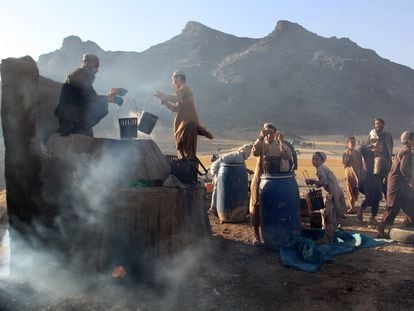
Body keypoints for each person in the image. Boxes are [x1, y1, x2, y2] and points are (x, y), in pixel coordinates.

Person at [54, 54, 126, 137]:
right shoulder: (77, 74)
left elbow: (93, 98)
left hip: (75, 112)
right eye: (95, 66)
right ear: (87, 63)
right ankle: (78, 128)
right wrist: (111, 98)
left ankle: (81, 128)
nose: (97, 70)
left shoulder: (84, 77)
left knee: (101, 104)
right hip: (69, 115)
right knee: (102, 105)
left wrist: (112, 93)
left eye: (98, 67)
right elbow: (91, 99)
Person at [249, 123, 293, 245]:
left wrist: (281, 143)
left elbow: (288, 156)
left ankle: (273, 234)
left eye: (271, 133)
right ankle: (257, 236)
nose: (269, 135)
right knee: (255, 205)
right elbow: (255, 152)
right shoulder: (260, 143)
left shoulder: (278, 145)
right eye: (266, 132)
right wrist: (260, 138)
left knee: (274, 206)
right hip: (259, 179)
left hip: (274, 182)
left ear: (275, 133)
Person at [153, 71, 213, 159]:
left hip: (188, 126)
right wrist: (165, 103)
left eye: (173, 79)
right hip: (183, 126)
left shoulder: (185, 88)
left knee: (188, 152)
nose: (172, 82)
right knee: (182, 151)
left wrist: (162, 95)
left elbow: (174, 98)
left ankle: (189, 170)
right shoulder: (181, 93)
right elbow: (175, 109)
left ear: (179, 78)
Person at [377, 131, 414, 237]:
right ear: (409, 140)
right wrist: (411, 180)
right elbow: (404, 169)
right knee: (393, 206)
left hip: (401, 184)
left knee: (410, 202)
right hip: (397, 183)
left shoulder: (403, 150)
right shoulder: (406, 151)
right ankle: (381, 228)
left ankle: (409, 223)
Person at [305, 151, 347, 242]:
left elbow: (324, 182)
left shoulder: (320, 169)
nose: (314, 161)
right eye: (313, 159)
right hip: (336, 192)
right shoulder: (323, 168)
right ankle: (330, 234)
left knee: (329, 216)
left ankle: (327, 238)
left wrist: (314, 182)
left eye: (317, 159)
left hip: (333, 194)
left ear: (322, 161)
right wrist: (314, 181)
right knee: (331, 215)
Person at [208, 144, 253, 216]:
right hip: (217, 169)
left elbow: (241, 166)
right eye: (248, 155)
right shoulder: (239, 157)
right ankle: (213, 208)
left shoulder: (238, 155)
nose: (248, 156)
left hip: (221, 168)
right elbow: (240, 167)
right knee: (218, 187)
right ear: (246, 153)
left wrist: (248, 170)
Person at [358, 139, 384, 224]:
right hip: (367, 178)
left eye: (381, 145)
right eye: (378, 145)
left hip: (377, 179)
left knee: (377, 198)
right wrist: (371, 146)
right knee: (369, 197)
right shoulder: (369, 153)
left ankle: (373, 217)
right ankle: (361, 210)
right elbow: (361, 149)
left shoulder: (382, 156)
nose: (380, 147)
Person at [367, 118, 393, 198]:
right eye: (376, 123)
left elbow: (390, 148)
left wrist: (390, 162)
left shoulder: (388, 136)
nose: (378, 125)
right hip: (374, 163)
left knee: (386, 183)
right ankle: (375, 202)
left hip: (385, 162)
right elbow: (367, 148)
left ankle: (387, 202)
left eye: (379, 123)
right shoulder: (371, 135)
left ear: (383, 124)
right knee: (375, 183)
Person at [342, 136, 363, 213]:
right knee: (350, 190)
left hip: (357, 175)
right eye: (351, 142)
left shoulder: (358, 153)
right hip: (349, 174)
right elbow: (344, 164)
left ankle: (354, 205)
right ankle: (352, 207)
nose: (353, 144)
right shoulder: (345, 153)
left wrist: (360, 173)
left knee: (356, 191)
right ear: (348, 144)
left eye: (354, 142)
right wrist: (348, 158)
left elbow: (361, 164)